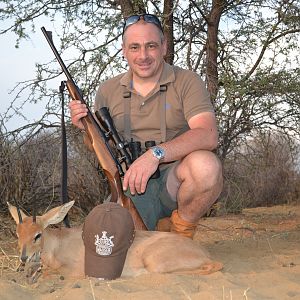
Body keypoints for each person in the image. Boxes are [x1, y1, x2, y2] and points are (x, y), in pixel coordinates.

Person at [69, 14, 223, 239]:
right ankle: (158, 227)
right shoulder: (107, 90)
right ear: (123, 50)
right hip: (134, 185)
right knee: (108, 243)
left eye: (151, 46)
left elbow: (208, 135)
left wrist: (155, 155)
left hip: (176, 181)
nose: (143, 56)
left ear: (163, 46)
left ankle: (181, 235)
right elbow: (100, 148)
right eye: (134, 47)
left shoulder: (187, 81)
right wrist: (85, 127)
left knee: (206, 167)